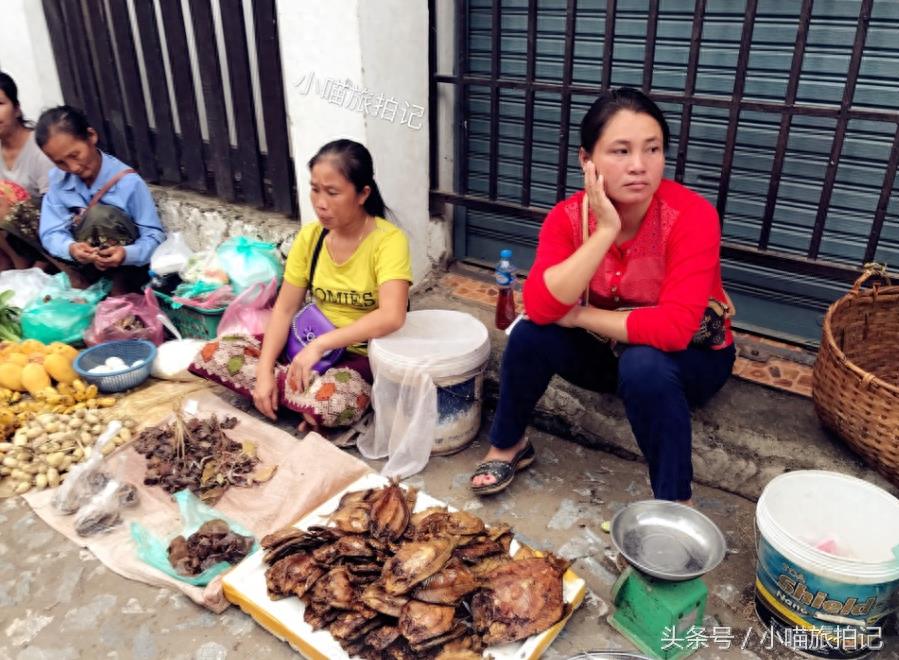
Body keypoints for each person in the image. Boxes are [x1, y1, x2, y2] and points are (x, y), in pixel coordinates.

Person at [470, 87, 736, 502]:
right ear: (586, 160)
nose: (639, 166)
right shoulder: (567, 218)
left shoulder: (691, 216)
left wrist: (577, 318)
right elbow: (540, 307)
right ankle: (509, 444)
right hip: (609, 353)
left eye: (652, 149)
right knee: (529, 335)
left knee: (644, 362)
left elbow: (674, 329)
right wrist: (605, 231)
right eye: (620, 151)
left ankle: (673, 503)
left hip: (692, 358)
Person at [189, 139, 412, 431]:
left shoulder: (388, 241)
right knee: (214, 353)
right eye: (315, 189)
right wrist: (265, 372)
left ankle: (303, 399)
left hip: (357, 354)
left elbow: (391, 315)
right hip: (304, 341)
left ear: (362, 194)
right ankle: (293, 396)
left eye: (333, 193)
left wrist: (321, 346)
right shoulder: (311, 238)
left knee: (332, 402)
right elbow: (284, 309)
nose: (320, 203)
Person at [35, 105, 165, 294]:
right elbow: (50, 232)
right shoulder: (58, 181)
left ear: (91, 136)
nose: (73, 167)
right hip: (84, 264)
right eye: (60, 162)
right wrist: (71, 248)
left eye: (75, 155)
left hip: (126, 268)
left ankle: (119, 291)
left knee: (99, 215)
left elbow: (154, 236)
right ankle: (82, 283)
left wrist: (126, 254)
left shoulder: (128, 183)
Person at [0, 72, 54, 271]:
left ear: (17, 108)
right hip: (11, 239)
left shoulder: (41, 149)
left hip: (46, 233)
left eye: (0, 104)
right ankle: (10, 266)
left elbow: (55, 207)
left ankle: (27, 267)